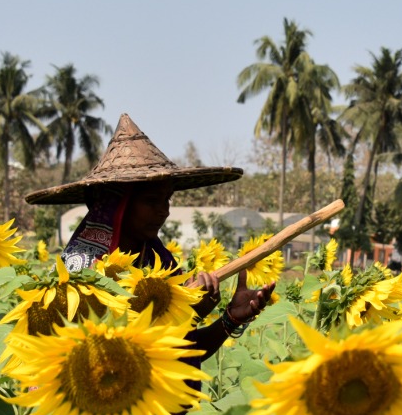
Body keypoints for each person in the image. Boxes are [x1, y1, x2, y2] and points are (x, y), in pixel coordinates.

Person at [24, 114, 275, 364]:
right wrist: (187, 317)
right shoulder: (78, 276)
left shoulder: (161, 265)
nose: (164, 211)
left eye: (167, 199)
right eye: (152, 200)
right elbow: (94, 368)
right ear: (117, 206)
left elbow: (178, 358)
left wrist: (230, 318)